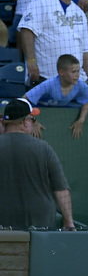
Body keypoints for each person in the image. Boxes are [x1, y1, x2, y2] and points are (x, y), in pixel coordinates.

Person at [0, 97, 75, 231]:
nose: (33, 124)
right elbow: (61, 189)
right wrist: (69, 222)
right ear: (25, 122)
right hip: (40, 224)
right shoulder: (43, 148)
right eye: (32, 120)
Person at [18, 0, 88, 87]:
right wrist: (31, 61)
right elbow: (27, 30)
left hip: (76, 82)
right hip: (45, 78)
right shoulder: (42, 1)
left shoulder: (79, 12)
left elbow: (85, 50)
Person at [25, 54, 88, 139]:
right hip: (40, 112)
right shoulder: (48, 84)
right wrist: (32, 120)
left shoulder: (81, 85)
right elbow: (23, 99)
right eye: (73, 72)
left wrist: (81, 120)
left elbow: (87, 101)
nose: (77, 75)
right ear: (61, 72)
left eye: (78, 71)